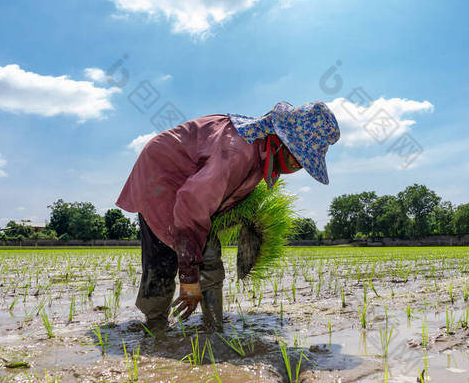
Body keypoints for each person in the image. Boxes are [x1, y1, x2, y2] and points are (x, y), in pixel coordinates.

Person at [116, 101, 340, 331]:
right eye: (298, 157)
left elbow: (216, 196)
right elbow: (191, 206)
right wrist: (189, 278)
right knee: (162, 257)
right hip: (161, 175)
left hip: (192, 184)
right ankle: (155, 324)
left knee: (208, 251)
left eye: (303, 162)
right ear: (282, 140)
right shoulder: (237, 152)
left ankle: (213, 326)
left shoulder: (258, 142)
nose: (297, 165)